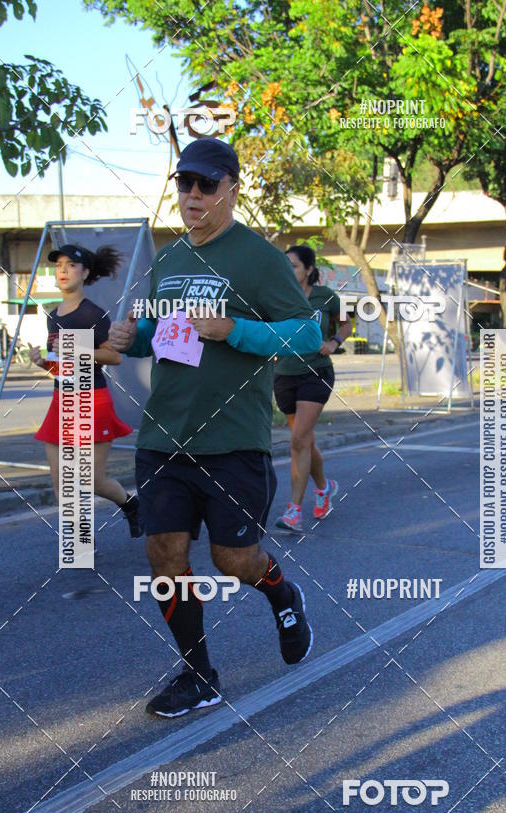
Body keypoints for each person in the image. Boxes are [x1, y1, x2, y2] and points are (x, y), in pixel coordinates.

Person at [108, 138, 322, 719]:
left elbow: (307, 334)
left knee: (234, 559)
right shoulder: (170, 259)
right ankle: (199, 674)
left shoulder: (258, 258)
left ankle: (282, 592)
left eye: (206, 184)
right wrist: (135, 338)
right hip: (163, 437)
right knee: (164, 554)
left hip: (231, 441)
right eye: (185, 184)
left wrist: (235, 330)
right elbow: (165, 335)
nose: (193, 195)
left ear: (232, 188)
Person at [30, 244, 144, 537]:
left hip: (91, 400)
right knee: (62, 482)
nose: (63, 271)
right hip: (61, 399)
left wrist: (76, 349)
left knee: (91, 480)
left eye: (71, 265)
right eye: (59, 266)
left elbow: (113, 357)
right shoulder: (53, 315)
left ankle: (130, 504)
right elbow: (64, 367)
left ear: (85, 273)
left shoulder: (92, 314)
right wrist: (43, 363)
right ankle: (79, 542)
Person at [273, 245, 352, 532]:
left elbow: (346, 324)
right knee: (305, 440)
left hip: (316, 373)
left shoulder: (326, 296)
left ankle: (293, 512)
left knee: (298, 440)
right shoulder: (278, 296)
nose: (288, 271)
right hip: (284, 374)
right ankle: (324, 487)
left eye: (293, 266)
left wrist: (333, 343)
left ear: (308, 269)